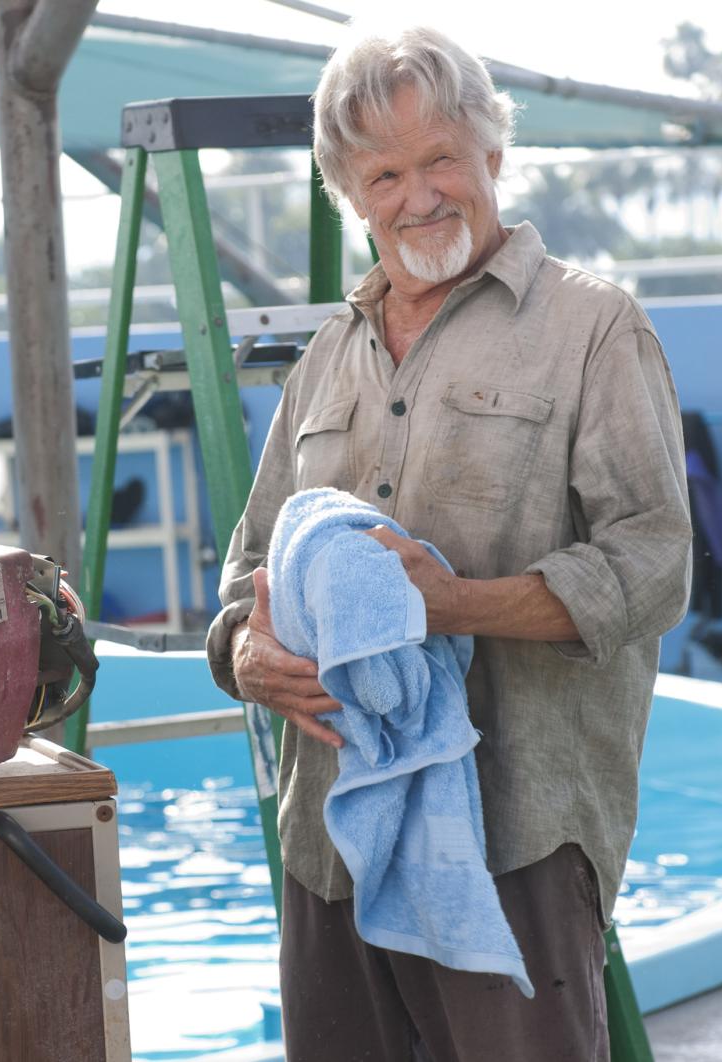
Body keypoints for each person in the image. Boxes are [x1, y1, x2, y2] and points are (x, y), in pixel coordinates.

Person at [203, 23, 693, 1062]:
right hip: (329, 836)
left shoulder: (594, 328)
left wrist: (452, 605)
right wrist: (244, 654)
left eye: (440, 158)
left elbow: (653, 566)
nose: (419, 196)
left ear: (493, 153)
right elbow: (249, 570)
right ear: (351, 194)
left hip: (514, 833)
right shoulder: (326, 358)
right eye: (384, 174)